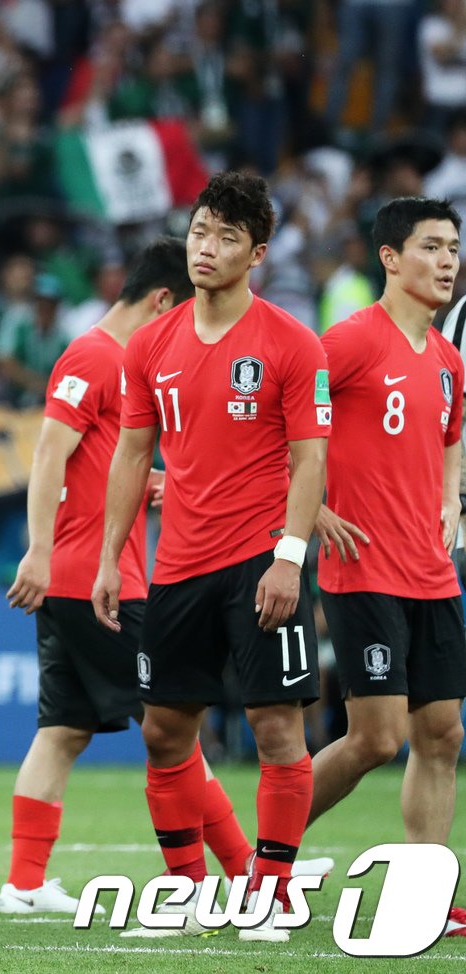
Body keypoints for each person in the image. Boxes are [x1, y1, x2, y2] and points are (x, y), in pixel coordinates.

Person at [1, 238, 331, 915]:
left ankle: (24, 884)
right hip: (96, 577)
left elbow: (103, 460)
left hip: (75, 575)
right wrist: (38, 549)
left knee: (63, 729)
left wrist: (166, 480)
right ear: (161, 301)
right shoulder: (100, 356)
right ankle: (241, 872)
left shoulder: (99, 355)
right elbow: (48, 453)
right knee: (173, 730)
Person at [93, 171, 330, 942]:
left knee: (276, 730)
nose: (207, 247)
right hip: (179, 566)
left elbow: (310, 460)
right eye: (200, 231)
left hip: (262, 559)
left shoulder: (292, 342)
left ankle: (272, 894)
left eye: (228, 237)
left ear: (256, 254)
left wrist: (290, 557)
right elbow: (133, 454)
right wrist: (110, 558)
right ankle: (187, 894)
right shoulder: (150, 344)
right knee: (164, 733)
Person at [309, 197, 466, 934]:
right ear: (390, 257)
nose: (447, 261)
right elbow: (279, 423)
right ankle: (258, 860)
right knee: (376, 738)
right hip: (362, 567)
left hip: (431, 572)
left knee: (443, 734)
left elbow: (453, 435)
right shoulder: (349, 341)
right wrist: (311, 511)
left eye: (453, 248)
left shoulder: (447, 359)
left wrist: (450, 502)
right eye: (431, 246)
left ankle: (421, 897)